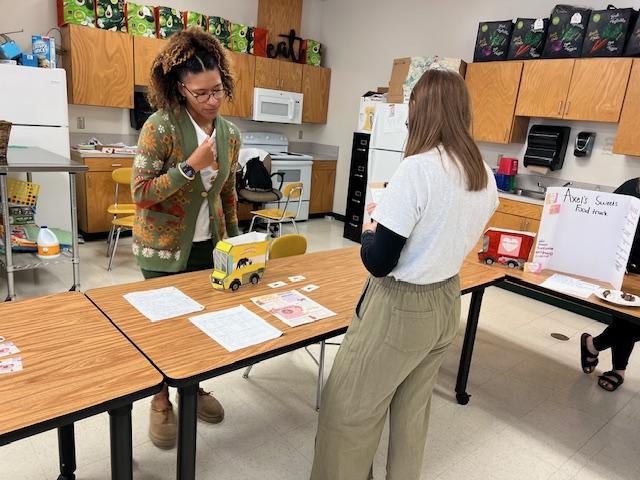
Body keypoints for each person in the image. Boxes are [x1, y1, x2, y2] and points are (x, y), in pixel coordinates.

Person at [310, 68, 498, 480]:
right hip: (446, 300)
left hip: (399, 308)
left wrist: (367, 234)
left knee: (349, 413)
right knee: (411, 415)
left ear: (420, 113)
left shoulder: (417, 170)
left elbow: (380, 261)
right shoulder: (483, 175)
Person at [131, 28, 241, 449]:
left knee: (199, 326)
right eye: (201, 93)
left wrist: (231, 242)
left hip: (207, 247)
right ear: (179, 89)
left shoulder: (229, 134)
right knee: (163, 329)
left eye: (218, 90)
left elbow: (228, 192)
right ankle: (160, 401)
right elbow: (141, 193)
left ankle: (192, 387)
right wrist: (190, 166)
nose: (212, 100)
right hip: (160, 249)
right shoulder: (160, 128)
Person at [581, 177, 640, 392]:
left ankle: (592, 345)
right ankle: (619, 369)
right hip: (627, 268)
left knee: (630, 323)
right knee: (627, 318)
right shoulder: (632, 187)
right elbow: (605, 221)